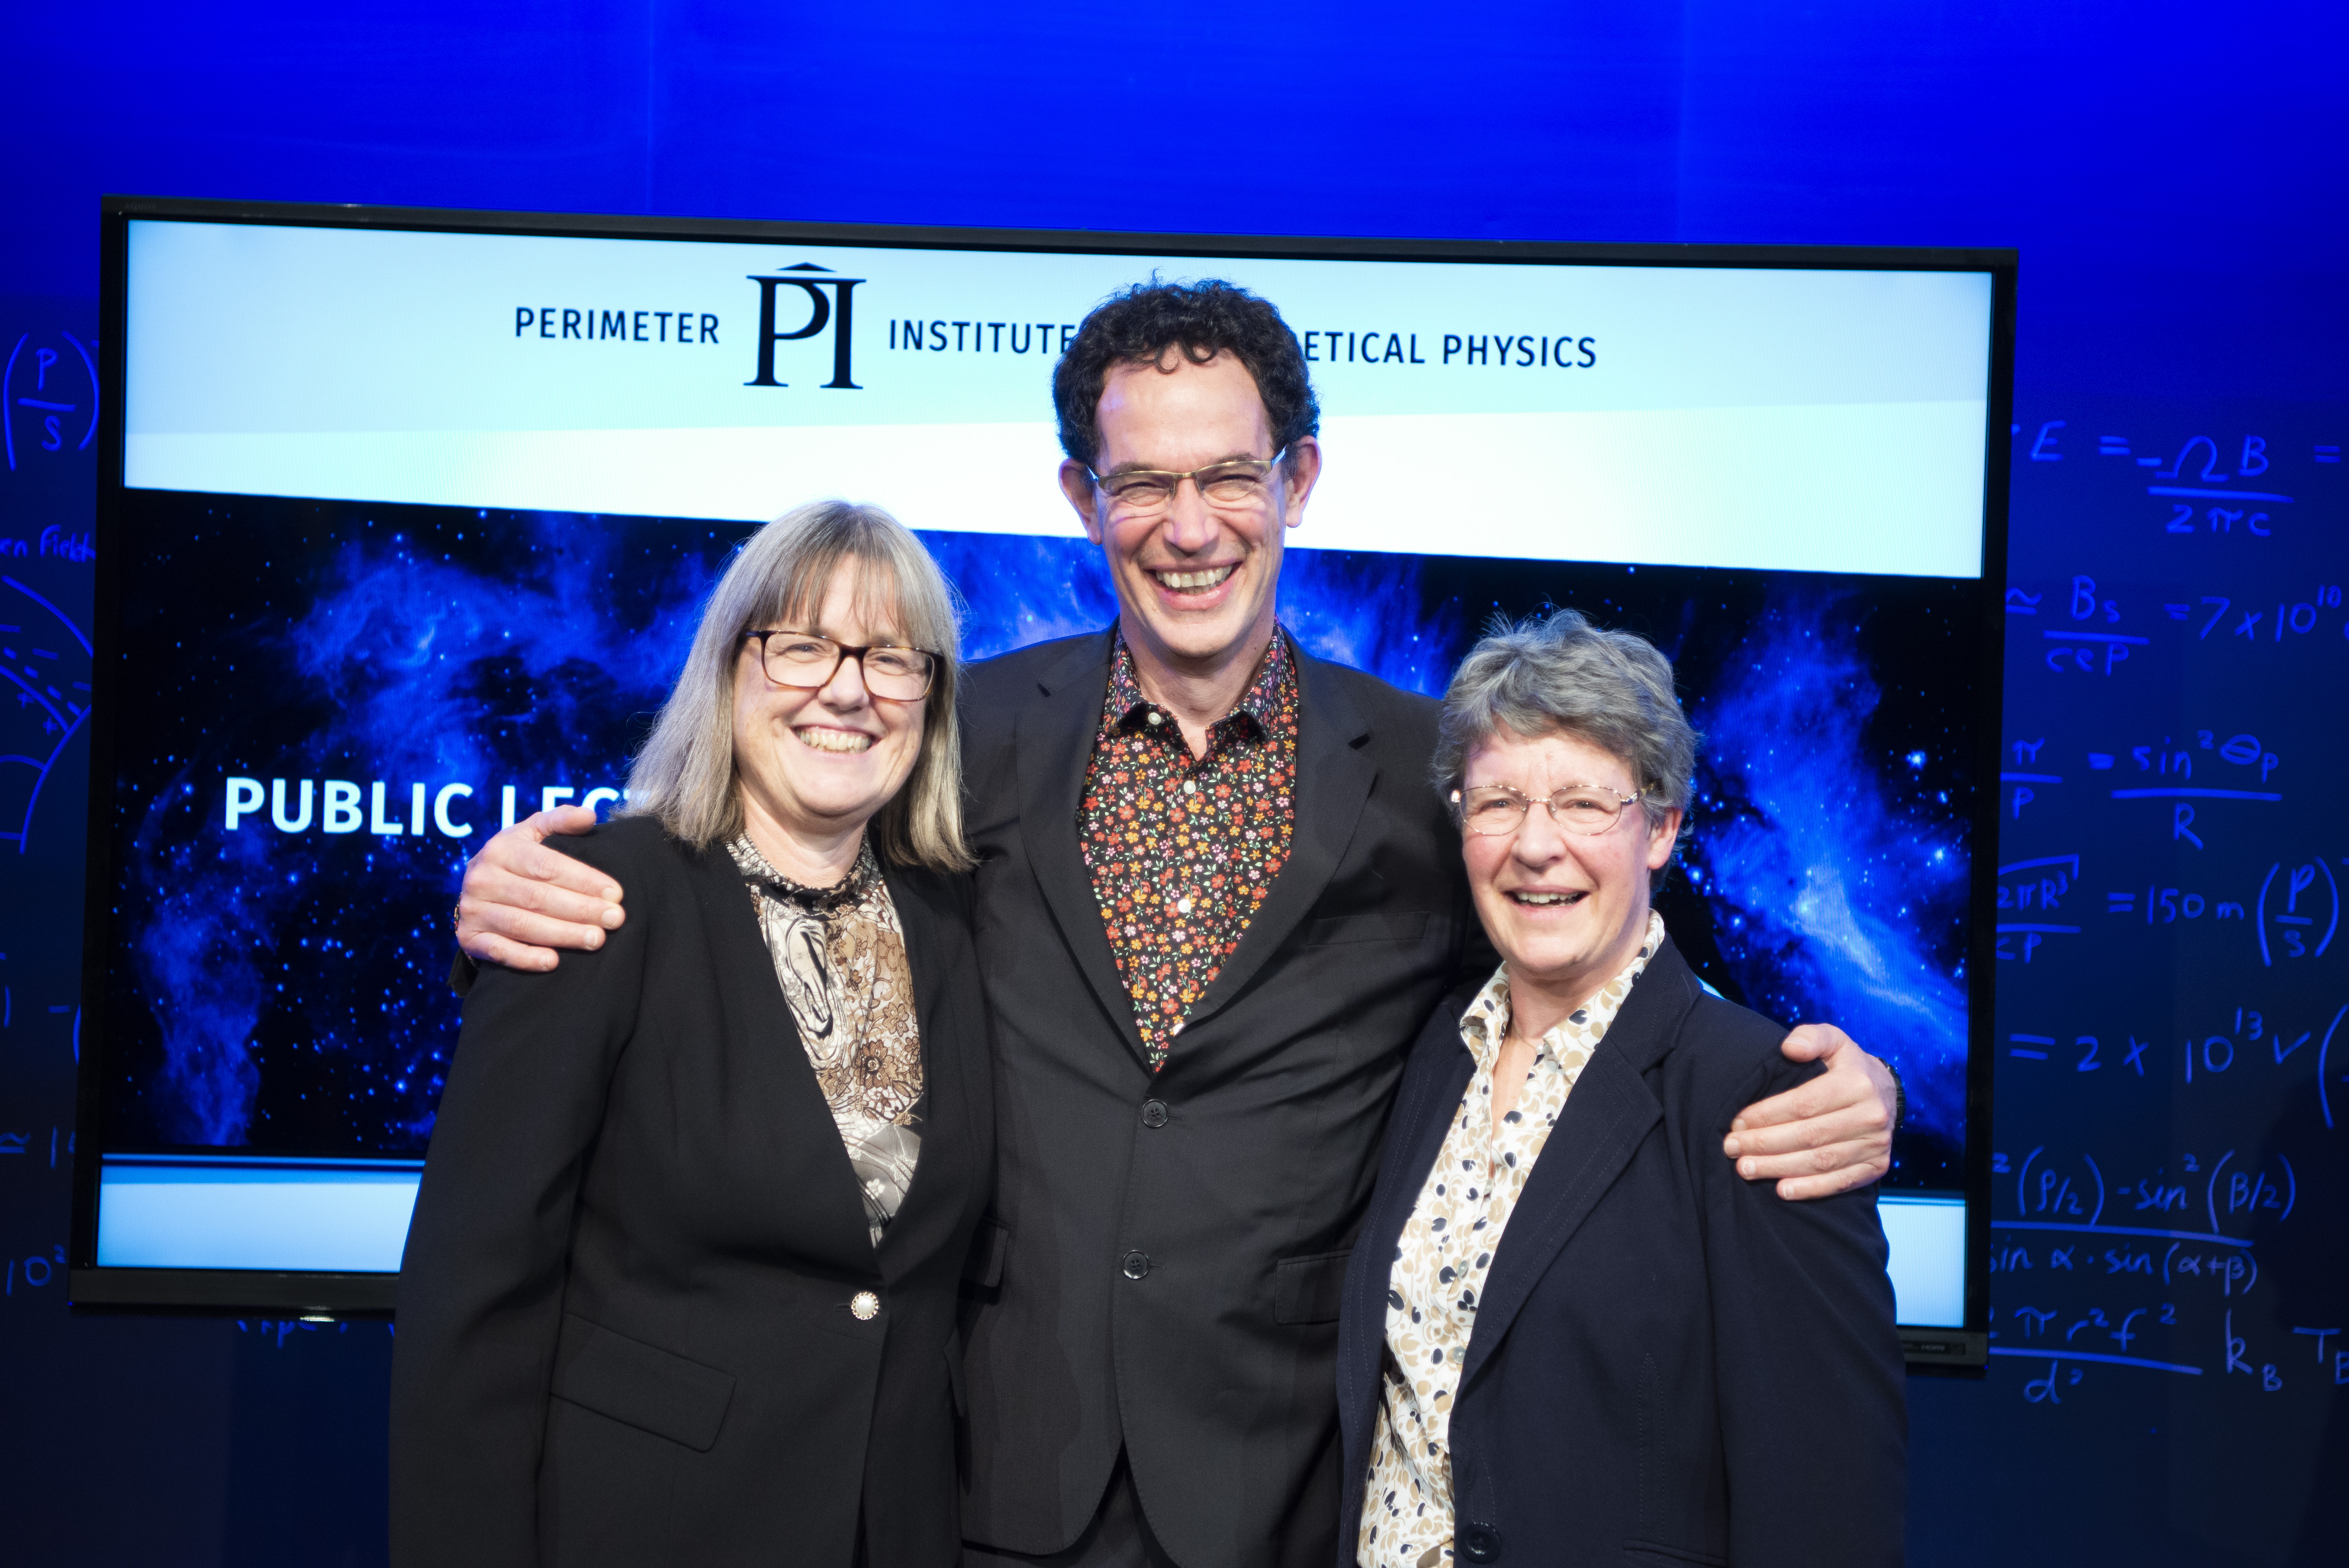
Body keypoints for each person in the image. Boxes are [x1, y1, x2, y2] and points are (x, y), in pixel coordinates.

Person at [450, 282, 1902, 1568]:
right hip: (993, 1475)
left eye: (1228, 475)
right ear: (1083, 496)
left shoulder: (1422, 772)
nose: (1190, 526)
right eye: (1143, 483)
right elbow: (773, 843)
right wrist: (521, 888)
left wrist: (1808, 1077)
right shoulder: (969, 734)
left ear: (1299, 478)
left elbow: (1580, 934)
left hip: (1281, 1493)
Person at [391, 502, 995, 1567]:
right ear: (728, 671)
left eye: (892, 658)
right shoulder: (595, 900)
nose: (848, 689)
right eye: (803, 646)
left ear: (931, 699)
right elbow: (475, 1300)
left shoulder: (954, 925)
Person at [1337, 608, 1906, 1568]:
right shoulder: (1434, 1052)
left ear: (1661, 827)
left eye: (1583, 804)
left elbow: (1827, 1510)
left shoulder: (1767, 1100)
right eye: (1497, 801)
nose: (1534, 844)